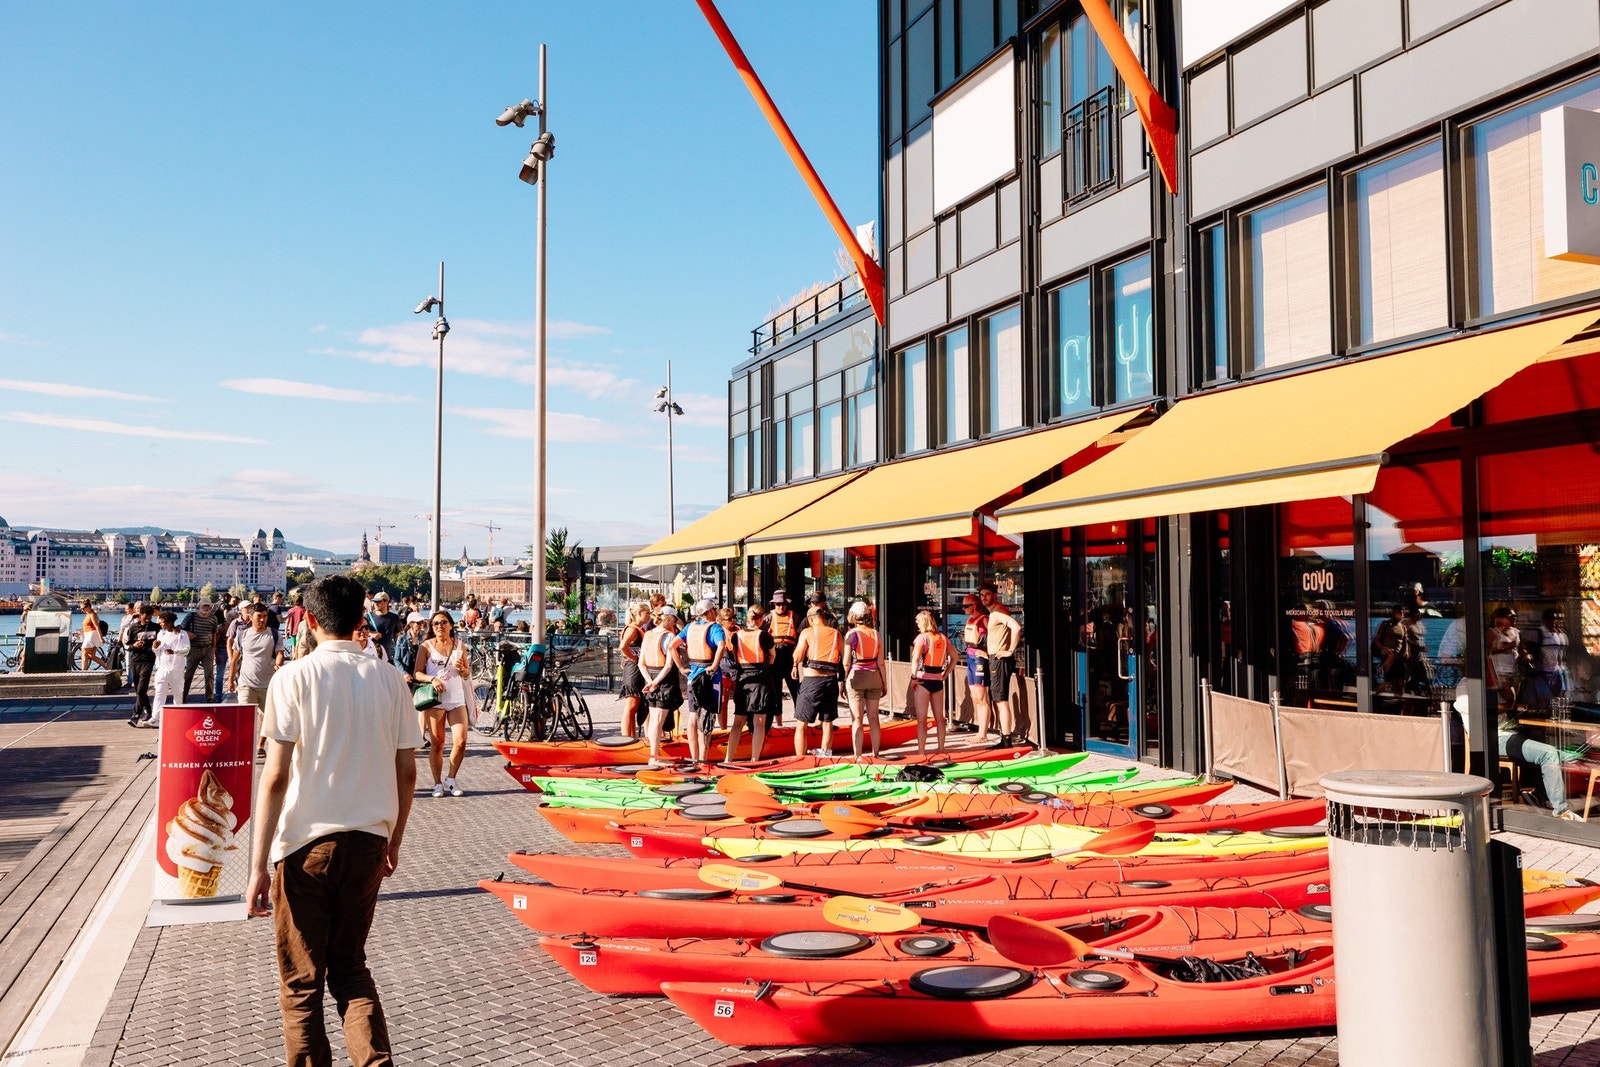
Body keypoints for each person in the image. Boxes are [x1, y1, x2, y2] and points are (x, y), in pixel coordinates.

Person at [246, 574, 416, 1066]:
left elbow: (275, 777)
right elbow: (407, 772)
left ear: (311, 621)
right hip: (368, 841)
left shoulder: (292, 677)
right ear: (362, 619)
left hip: (305, 845)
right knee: (350, 969)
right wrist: (394, 840)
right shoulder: (388, 679)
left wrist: (258, 865)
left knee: (302, 982)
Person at [412, 611, 474, 798]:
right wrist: (432, 679)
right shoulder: (426, 646)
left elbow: (466, 673)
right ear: (432, 627)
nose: (440, 626)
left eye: (443, 622)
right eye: (436, 623)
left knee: (461, 741)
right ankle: (437, 783)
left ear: (451, 625)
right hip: (436, 700)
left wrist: (463, 670)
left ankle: (451, 779)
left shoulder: (459, 646)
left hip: (456, 698)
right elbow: (417, 673)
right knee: (437, 743)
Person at [229, 602, 284, 757]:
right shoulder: (242, 635)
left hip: (268, 684)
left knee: (267, 718)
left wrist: (279, 662)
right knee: (245, 717)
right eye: (259, 616)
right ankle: (244, 747)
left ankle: (260, 746)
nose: (262, 619)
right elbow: (235, 659)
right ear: (251, 617)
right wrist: (231, 680)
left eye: (265, 616)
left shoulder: (274, 634)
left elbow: (280, 652)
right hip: (246, 683)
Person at [724, 605, 776, 764]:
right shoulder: (765, 635)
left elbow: (734, 654)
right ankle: (754, 759)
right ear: (760, 620)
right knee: (759, 721)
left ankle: (728, 759)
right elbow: (773, 656)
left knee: (738, 721)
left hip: (743, 678)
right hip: (760, 678)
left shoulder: (736, 635)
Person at [638, 606, 688, 765]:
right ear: (669, 619)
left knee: (654, 720)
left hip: (651, 678)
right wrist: (656, 682)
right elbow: (668, 666)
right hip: (663, 680)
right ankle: (654, 757)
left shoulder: (648, 634)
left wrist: (649, 681)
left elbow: (641, 663)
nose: (675, 621)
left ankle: (654, 755)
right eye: (674, 619)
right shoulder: (668, 636)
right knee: (658, 721)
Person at [791, 605, 843, 757]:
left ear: (811, 619)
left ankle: (800, 759)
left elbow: (799, 655)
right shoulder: (836, 634)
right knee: (827, 722)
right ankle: (825, 756)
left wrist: (794, 664)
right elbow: (843, 658)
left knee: (801, 723)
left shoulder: (807, 632)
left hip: (812, 681)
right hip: (831, 681)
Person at [681, 599, 726, 763]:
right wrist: (714, 665)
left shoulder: (689, 627)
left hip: (692, 675)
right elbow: (721, 646)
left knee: (693, 715)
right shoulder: (714, 627)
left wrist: (681, 667)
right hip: (710, 676)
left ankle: (694, 758)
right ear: (711, 612)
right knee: (706, 717)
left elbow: (673, 645)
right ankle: (703, 759)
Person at [980, 583, 1023, 746]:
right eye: (982, 595)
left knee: (1000, 700)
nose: (984, 597)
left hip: (1000, 660)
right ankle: (1004, 739)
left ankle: (1006, 741)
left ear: (994, 596)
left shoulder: (997, 613)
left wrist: (1009, 650)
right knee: (999, 698)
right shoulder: (996, 613)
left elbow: (1016, 627)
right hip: (996, 658)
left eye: (987, 594)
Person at [841, 601, 885, 760]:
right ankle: (876, 753)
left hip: (856, 676)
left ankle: (857, 755)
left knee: (857, 718)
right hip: (874, 676)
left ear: (854, 616)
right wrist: (884, 682)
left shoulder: (851, 635)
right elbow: (881, 662)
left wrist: (842, 682)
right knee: (874, 717)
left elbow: (846, 662)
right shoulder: (876, 634)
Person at [910, 609, 951, 755]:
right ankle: (941, 749)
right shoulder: (942, 637)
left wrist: (913, 678)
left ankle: (921, 751)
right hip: (938, 679)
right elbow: (955, 657)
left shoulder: (922, 638)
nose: (916, 624)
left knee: (921, 720)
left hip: (923, 680)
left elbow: (915, 659)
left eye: (917, 621)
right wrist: (945, 674)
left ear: (922, 622)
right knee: (939, 718)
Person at [144, 610, 191, 728]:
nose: (160, 624)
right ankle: (156, 718)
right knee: (159, 692)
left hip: (176, 668)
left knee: (177, 693)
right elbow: (158, 651)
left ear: (170, 623)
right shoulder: (161, 634)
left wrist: (174, 652)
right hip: (162, 667)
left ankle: (179, 717)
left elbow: (187, 650)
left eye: (162, 622)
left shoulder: (182, 634)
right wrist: (154, 647)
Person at [764, 591, 802, 717]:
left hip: (789, 657)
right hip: (774, 657)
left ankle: (799, 716)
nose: (781, 607)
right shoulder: (768, 618)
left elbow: (799, 638)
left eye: (783, 604)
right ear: (774, 605)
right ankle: (778, 719)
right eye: (778, 604)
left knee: (795, 689)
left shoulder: (794, 617)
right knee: (775, 690)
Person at [616, 602, 649, 739]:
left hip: (635, 668)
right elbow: (623, 646)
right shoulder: (633, 629)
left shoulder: (638, 628)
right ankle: (626, 737)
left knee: (634, 706)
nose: (649, 616)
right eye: (647, 613)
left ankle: (631, 737)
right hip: (633, 669)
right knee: (631, 705)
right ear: (639, 614)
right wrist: (634, 658)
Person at [124, 607, 159, 726]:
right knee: (138, 690)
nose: (148, 619)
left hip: (149, 660)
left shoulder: (156, 628)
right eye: (146, 617)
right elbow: (127, 645)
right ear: (140, 615)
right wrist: (134, 645)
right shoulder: (133, 628)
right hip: (135, 660)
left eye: (150, 617)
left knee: (141, 689)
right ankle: (149, 711)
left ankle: (135, 715)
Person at [961, 594, 990, 737]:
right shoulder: (970, 620)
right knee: (975, 697)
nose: (963, 608)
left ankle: (982, 733)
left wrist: (988, 653)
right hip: (970, 658)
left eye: (966, 606)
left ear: (974, 605)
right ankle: (980, 729)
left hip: (979, 660)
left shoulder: (984, 619)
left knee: (981, 697)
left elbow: (996, 636)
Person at [181, 601, 219, 701]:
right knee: (189, 674)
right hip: (194, 649)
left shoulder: (213, 618)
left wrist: (214, 648)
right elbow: (180, 629)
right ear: (199, 606)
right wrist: (188, 633)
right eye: (204, 606)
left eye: (208, 606)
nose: (206, 608)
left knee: (209, 674)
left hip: (208, 649)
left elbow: (214, 633)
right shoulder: (191, 616)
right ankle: (182, 696)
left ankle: (209, 697)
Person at [365, 592, 401, 662]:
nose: (376, 604)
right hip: (372, 656)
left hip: (388, 657)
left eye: (379, 602)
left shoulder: (394, 618)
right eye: (374, 602)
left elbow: (397, 637)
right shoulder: (368, 617)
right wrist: (371, 634)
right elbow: (358, 632)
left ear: (387, 602)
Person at [79, 599, 107, 670]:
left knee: (84, 652)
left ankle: (84, 671)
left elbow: (97, 627)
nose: (82, 610)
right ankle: (106, 666)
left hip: (92, 634)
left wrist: (101, 638)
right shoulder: (88, 615)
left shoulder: (92, 615)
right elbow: (86, 626)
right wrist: (80, 632)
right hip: (88, 634)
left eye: (83, 608)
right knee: (91, 655)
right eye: (81, 609)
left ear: (88, 606)